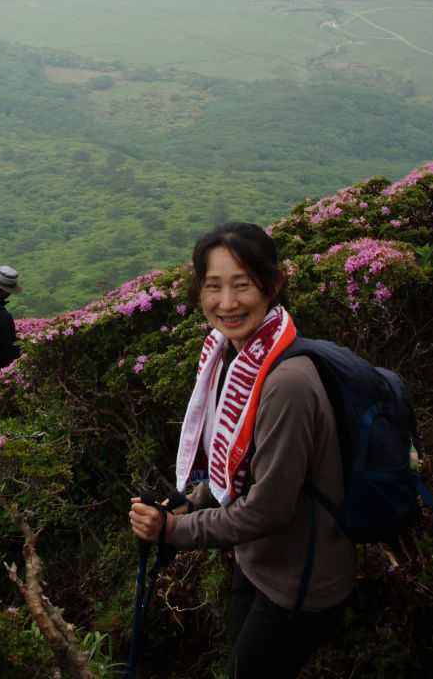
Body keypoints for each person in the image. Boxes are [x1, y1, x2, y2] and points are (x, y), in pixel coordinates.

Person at [128, 223, 353, 679]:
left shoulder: (287, 383)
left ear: (273, 284)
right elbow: (234, 466)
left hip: (299, 583)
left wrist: (174, 529)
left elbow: (268, 509)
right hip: (257, 563)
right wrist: (191, 501)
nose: (227, 303)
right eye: (213, 286)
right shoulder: (230, 356)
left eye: (242, 285)